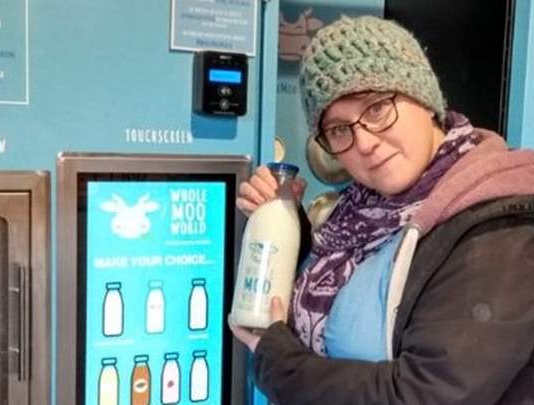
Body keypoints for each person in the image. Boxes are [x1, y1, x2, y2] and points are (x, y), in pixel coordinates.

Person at [229, 15, 534, 404]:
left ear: (425, 101)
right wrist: (290, 232)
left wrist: (280, 363)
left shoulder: (499, 228)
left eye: (376, 109)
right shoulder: (361, 214)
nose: (365, 143)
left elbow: (423, 395)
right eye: (339, 129)